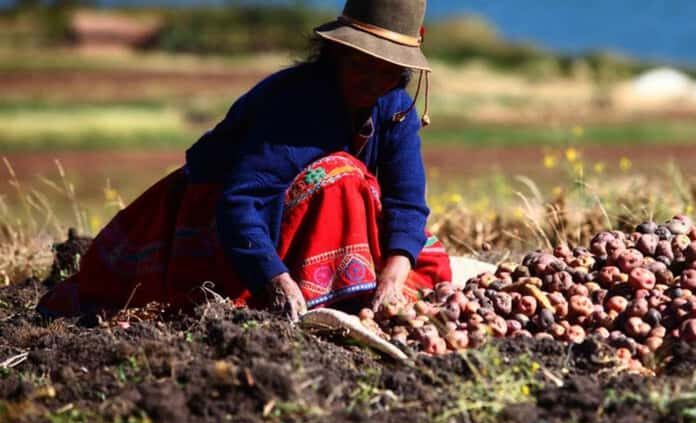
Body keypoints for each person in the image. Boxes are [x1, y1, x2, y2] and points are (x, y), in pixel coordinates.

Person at [37, 0, 452, 321]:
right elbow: (241, 201)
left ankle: (352, 289)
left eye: (387, 70)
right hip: (221, 219)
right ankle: (329, 293)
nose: (373, 81)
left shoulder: (396, 107)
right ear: (337, 54)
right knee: (342, 177)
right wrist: (275, 280)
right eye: (361, 64)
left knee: (421, 251)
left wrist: (394, 273)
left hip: (298, 218)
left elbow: (405, 201)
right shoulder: (298, 103)